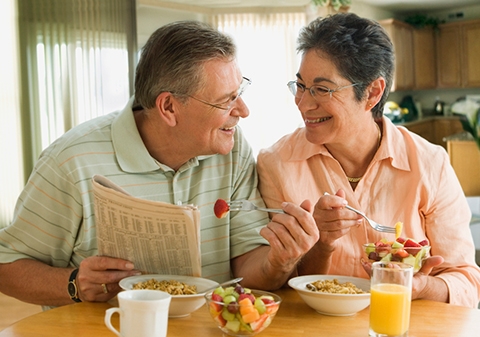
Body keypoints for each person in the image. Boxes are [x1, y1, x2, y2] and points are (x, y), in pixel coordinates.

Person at [0, 21, 318, 309]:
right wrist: (74, 284)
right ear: (168, 106)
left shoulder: (232, 151)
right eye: (226, 100)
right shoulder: (71, 163)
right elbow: (6, 266)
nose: (243, 111)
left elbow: (247, 265)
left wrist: (280, 259)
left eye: (240, 92)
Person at [257, 13, 480, 308]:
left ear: (372, 93)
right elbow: (277, 290)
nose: (303, 103)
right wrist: (322, 244)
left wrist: (421, 286)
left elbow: (467, 284)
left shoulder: (430, 164)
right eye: (300, 85)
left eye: (322, 89)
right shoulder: (276, 163)